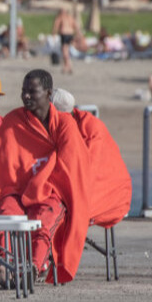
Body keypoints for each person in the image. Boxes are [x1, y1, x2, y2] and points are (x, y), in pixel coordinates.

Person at [0, 69, 90, 283]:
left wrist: (40, 184)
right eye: (24, 91)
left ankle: (34, 266)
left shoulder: (64, 124)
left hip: (51, 189)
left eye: (32, 92)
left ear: (48, 93)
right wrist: (18, 189)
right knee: (8, 216)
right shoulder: (13, 119)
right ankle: (6, 266)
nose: (26, 96)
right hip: (16, 189)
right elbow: (3, 165)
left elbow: (69, 167)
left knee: (45, 219)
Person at [54, 90, 131, 230]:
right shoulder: (73, 123)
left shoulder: (89, 129)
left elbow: (87, 172)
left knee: (58, 208)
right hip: (94, 187)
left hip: (112, 194)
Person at [53, 7, 78, 75]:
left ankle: (67, 66)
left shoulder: (60, 17)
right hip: (71, 34)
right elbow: (76, 26)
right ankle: (67, 66)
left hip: (64, 34)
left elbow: (56, 25)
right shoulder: (70, 17)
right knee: (67, 51)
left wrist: (54, 35)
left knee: (64, 51)